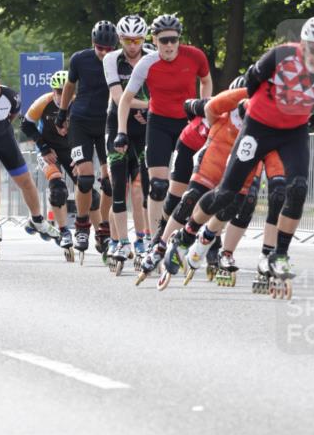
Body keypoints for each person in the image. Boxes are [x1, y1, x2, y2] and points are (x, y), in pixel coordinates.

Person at [183, 16, 314, 281]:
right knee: (227, 194)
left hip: (292, 132)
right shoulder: (280, 56)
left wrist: (313, 112)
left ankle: (278, 255)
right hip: (259, 127)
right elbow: (251, 80)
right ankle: (187, 234)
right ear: (303, 44)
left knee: (296, 188)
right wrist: (253, 107)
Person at [115, 14, 212, 238]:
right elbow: (125, 99)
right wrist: (121, 132)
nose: (169, 45)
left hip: (188, 124)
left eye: (173, 40)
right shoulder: (146, 63)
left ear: (179, 39)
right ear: (155, 40)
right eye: (163, 40)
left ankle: (188, 231)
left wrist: (203, 109)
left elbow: (206, 80)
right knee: (158, 186)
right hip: (158, 123)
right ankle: (155, 239)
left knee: (191, 185)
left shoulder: (195, 56)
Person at [0, 63, 59, 247]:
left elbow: (12, 116)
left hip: (5, 139)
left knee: (26, 181)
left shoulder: (11, 96)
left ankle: (37, 219)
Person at [56, 21, 118, 256]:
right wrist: (62, 113)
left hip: (107, 125)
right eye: (99, 48)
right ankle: (82, 225)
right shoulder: (79, 59)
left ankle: (103, 228)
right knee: (84, 178)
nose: (103, 53)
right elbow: (70, 86)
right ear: (93, 44)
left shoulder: (119, 62)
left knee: (110, 181)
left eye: (108, 49)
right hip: (80, 122)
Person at [103, 14, 152, 268]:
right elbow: (119, 97)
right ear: (120, 39)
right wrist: (150, 106)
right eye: (126, 40)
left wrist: (151, 110)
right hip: (118, 124)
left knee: (141, 188)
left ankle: (142, 240)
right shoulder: (112, 59)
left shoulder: (152, 55)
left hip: (144, 127)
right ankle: (120, 241)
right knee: (118, 188)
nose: (132, 45)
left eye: (137, 40)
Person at [20, 69, 76, 251]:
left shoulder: (78, 102)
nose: (62, 95)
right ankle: (63, 231)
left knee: (88, 189)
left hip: (70, 150)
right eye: (58, 92)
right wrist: (43, 147)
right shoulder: (43, 103)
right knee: (58, 189)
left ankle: (100, 233)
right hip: (48, 150)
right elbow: (26, 124)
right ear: (53, 92)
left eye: (66, 90)